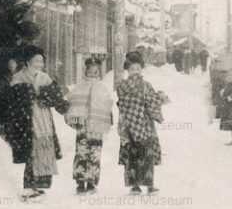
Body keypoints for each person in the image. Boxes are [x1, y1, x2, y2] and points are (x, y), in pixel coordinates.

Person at [5, 45, 70, 201]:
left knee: (44, 149)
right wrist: (32, 94)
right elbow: (14, 100)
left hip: (44, 119)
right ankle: (28, 187)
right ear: (27, 62)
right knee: (31, 151)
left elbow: (56, 97)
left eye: (41, 61)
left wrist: (64, 106)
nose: (40, 64)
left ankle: (38, 186)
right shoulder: (19, 78)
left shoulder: (45, 77)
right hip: (27, 119)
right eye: (36, 61)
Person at [116, 51, 169, 195]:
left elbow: (151, 100)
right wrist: (156, 100)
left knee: (146, 154)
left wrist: (159, 97)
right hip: (133, 125)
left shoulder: (145, 85)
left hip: (142, 125)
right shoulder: (123, 86)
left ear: (141, 69)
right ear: (127, 70)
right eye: (132, 69)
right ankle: (135, 185)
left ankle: (149, 185)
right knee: (135, 154)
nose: (135, 72)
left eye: (138, 69)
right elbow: (123, 103)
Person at [64, 57, 114, 194]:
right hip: (83, 124)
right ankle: (80, 181)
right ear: (85, 71)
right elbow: (72, 101)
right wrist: (74, 116)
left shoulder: (102, 88)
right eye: (90, 72)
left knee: (95, 153)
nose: (93, 74)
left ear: (99, 72)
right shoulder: (79, 87)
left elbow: (107, 105)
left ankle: (91, 181)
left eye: (96, 72)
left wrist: (107, 119)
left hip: (96, 125)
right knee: (81, 152)